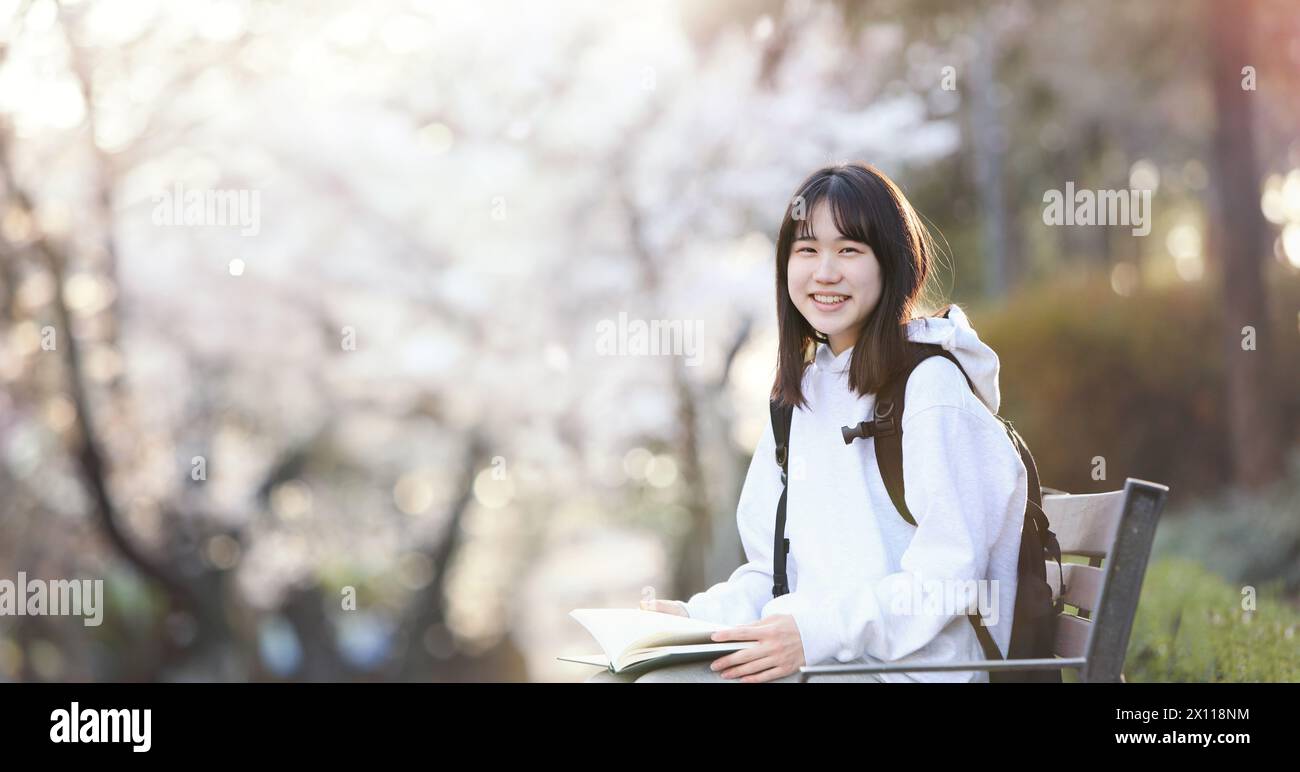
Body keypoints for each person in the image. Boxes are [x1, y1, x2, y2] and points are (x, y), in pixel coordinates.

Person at [587, 161, 1028, 684]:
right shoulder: (797, 402)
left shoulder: (930, 388)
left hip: (916, 671)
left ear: (893, 263)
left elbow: (949, 579)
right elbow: (776, 578)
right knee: (627, 678)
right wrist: (692, 618)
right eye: (807, 250)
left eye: (849, 250)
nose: (825, 272)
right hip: (831, 661)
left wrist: (816, 635)